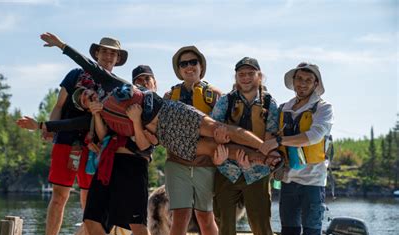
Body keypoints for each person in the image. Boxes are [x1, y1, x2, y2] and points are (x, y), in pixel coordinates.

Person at [39, 32, 282, 169]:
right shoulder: (100, 115)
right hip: (165, 137)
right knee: (217, 149)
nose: (88, 96)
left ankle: (266, 148)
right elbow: (70, 125)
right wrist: (42, 126)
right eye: (83, 99)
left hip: (169, 113)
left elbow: (86, 63)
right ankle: (270, 162)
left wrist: (61, 45)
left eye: (87, 93)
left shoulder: (109, 82)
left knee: (220, 130)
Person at [17, 36, 127, 235]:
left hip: (94, 147)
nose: (108, 57)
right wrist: (50, 128)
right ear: (96, 53)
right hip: (66, 141)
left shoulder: (115, 87)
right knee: (59, 197)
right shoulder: (76, 75)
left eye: (113, 54)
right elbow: (60, 104)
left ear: (118, 59)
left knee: (90, 201)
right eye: (104, 52)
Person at [259, 62, 333, 235]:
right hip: (288, 180)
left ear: (316, 84)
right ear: (293, 81)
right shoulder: (284, 108)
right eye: (298, 79)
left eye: (307, 80)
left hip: (313, 183)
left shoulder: (323, 108)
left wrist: (277, 140)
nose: (302, 83)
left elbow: (313, 136)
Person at [211, 57, 278, 235]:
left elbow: (270, 141)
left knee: (261, 225)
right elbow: (213, 130)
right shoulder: (225, 102)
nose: (246, 77)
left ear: (259, 76)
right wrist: (221, 150)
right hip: (227, 171)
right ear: (236, 76)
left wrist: (254, 158)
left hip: (257, 174)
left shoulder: (271, 103)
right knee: (225, 224)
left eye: (251, 73)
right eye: (241, 73)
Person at [160, 46, 224, 235]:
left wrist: (221, 154)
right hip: (176, 163)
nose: (189, 67)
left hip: (205, 165)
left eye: (194, 62)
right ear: (178, 69)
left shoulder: (215, 95)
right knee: (180, 217)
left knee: (206, 216)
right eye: (184, 63)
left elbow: (223, 130)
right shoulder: (169, 96)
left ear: (201, 66)